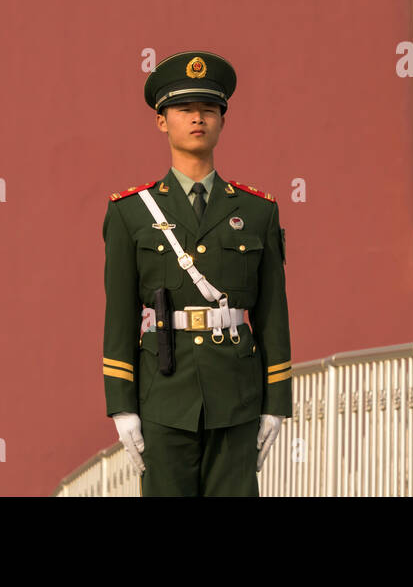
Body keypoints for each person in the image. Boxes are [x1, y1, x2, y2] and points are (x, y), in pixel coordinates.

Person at [102, 50, 292, 495]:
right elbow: (120, 316)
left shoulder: (256, 209)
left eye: (209, 109)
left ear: (223, 120)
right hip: (164, 393)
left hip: (237, 392)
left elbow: (272, 314)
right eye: (184, 109)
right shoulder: (131, 213)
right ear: (161, 121)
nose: (198, 118)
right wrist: (122, 406)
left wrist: (276, 401)